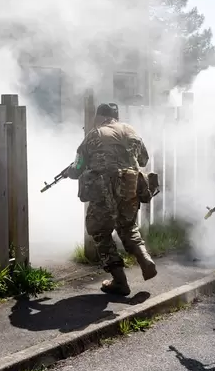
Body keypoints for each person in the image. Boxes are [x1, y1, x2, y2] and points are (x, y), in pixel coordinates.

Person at [66, 103, 157, 295]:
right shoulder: (132, 131)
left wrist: (70, 171)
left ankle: (120, 281)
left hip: (103, 192)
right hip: (129, 188)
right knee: (128, 227)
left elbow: (77, 168)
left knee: (100, 232)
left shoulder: (94, 134)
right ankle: (144, 258)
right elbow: (143, 161)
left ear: (100, 117)